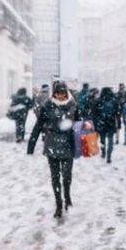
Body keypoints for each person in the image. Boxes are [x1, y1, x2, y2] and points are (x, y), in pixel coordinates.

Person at [27, 81, 80, 218]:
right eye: (58, 93)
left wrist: (84, 127)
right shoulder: (48, 106)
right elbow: (38, 125)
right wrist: (31, 146)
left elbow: (78, 123)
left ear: (66, 93)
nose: (61, 96)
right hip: (52, 145)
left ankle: (67, 197)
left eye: (63, 93)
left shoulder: (73, 105)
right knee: (55, 177)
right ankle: (58, 204)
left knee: (67, 176)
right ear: (54, 93)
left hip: (68, 144)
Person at [93, 87, 119, 163]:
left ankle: (103, 152)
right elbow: (117, 114)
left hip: (102, 123)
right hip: (111, 123)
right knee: (110, 140)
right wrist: (118, 124)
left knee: (102, 139)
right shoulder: (114, 101)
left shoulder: (99, 101)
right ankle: (109, 155)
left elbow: (95, 114)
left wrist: (96, 123)